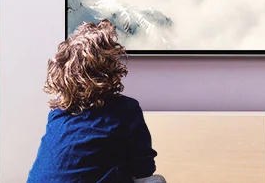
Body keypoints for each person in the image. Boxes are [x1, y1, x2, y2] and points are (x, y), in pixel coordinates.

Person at [27, 19, 166, 183]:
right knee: (156, 181)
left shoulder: (58, 110)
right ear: (109, 67)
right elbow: (144, 169)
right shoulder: (126, 109)